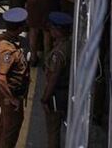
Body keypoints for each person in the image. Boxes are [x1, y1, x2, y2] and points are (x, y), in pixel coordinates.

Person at [0, 7, 30, 148]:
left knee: (4, 125)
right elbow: (1, 78)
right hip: (11, 94)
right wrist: (13, 99)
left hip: (11, 94)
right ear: (20, 27)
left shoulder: (9, 39)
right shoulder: (7, 49)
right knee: (11, 132)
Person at [41, 11, 73, 148]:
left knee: (53, 131)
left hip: (56, 95)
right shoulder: (70, 44)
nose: (51, 31)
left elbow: (53, 78)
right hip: (67, 91)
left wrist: (44, 98)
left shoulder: (59, 53)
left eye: (52, 28)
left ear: (58, 30)